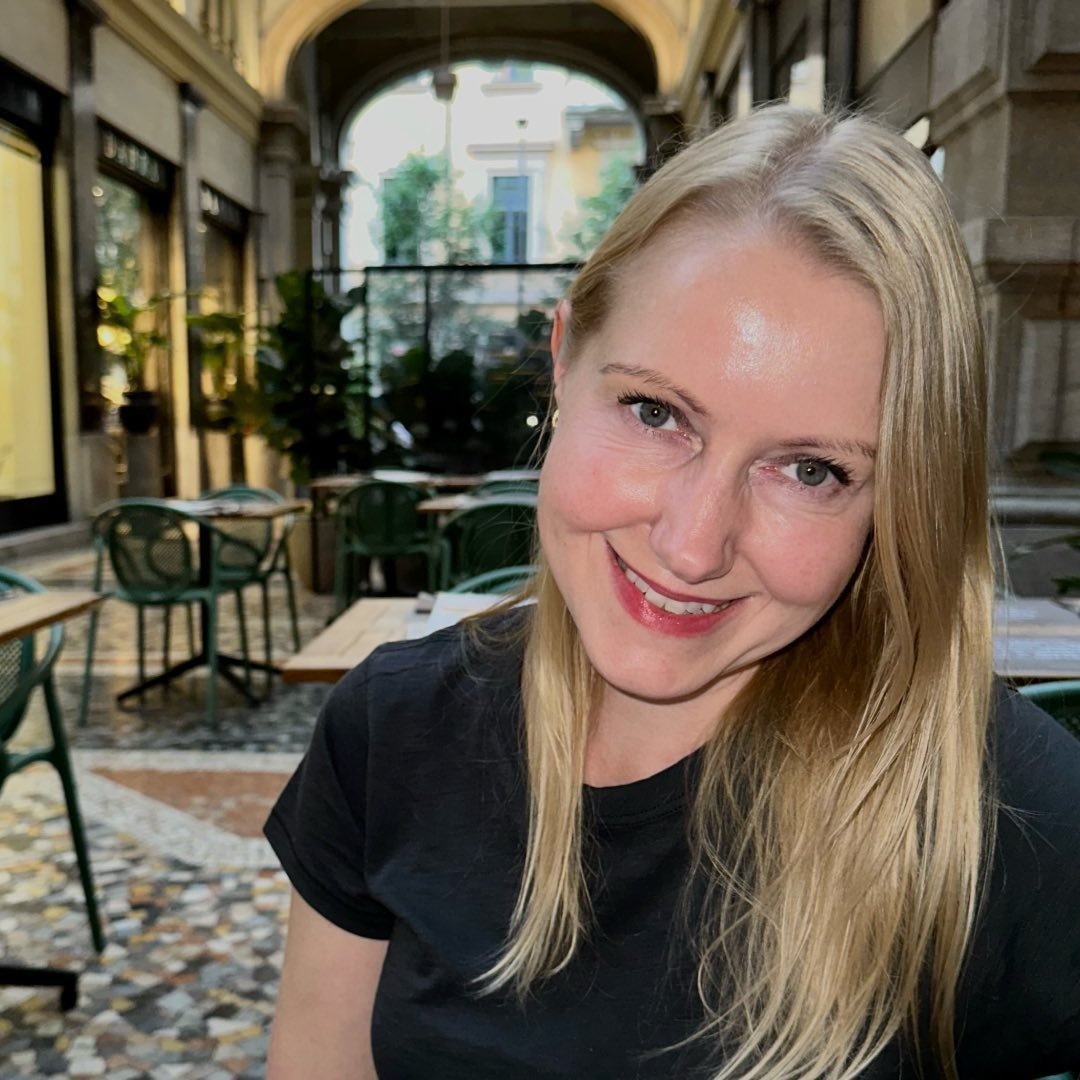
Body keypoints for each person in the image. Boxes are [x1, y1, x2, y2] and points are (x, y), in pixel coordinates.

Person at [263, 104, 1080, 1079]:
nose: (692, 548)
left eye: (811, 470)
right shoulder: (387, 731)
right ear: (564, 362)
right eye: (656, 412)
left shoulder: (993, 811)